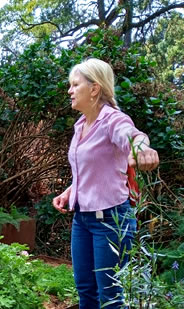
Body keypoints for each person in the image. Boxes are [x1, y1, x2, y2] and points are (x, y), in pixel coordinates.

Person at [52, 58, 159, 309]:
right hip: (82, 219)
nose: (69, 90)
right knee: (86, 291)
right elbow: (91, 168)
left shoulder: (112, 120)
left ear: (94, 88)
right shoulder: (80, 125)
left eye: (75, 84)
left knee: (110, 298)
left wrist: (141, 148)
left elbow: (131, 135)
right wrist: (70, 191)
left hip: (111, 221)